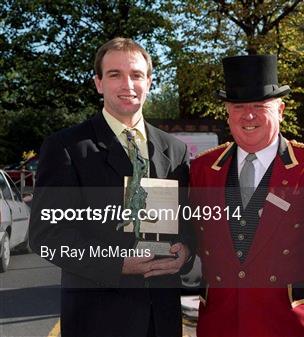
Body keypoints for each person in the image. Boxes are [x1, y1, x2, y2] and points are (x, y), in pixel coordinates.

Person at [29, 37, 193, 337]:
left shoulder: (176, 150)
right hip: (97, 320)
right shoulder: (66, 147)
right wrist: (116, 263)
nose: (127, 84)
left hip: (163, 320)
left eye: (136, 75)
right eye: (115, 74)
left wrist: (187, 252)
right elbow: (47, 236)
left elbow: (187, 225)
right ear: (98, 83)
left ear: (150, 82)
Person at [189, 55, 304, 337]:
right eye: (238, 107)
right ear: (228, 113)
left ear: (281, 110)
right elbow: (191, 236)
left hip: (289, 325)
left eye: (260, 106)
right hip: (220, 325)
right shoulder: (203, 169)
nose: (248, 115)